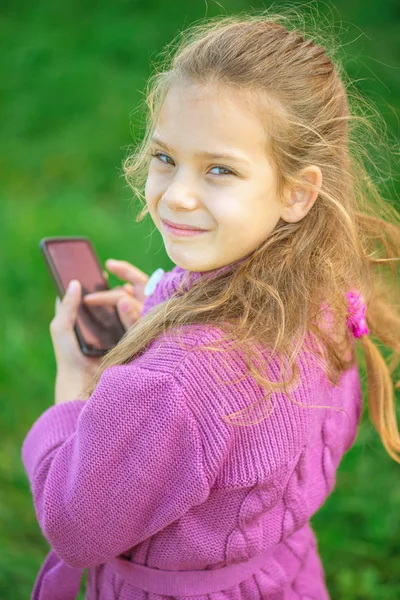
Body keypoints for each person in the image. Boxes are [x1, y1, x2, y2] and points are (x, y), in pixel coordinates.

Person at [21, 8, 400, 600]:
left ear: (297, 192)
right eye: (165, 158)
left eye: (219, 169)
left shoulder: (168, 386)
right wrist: (158, 311)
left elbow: (74, 527)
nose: (177, 195)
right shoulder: (319, 295)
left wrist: (76, 388)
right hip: (280, 577)